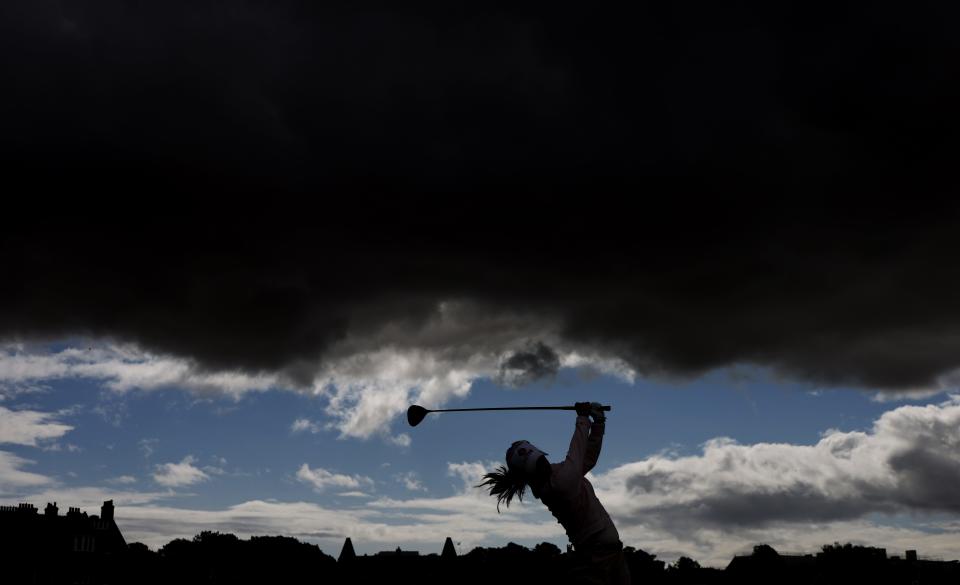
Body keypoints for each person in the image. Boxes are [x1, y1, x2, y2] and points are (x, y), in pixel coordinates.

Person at [478, 402, 630, 585]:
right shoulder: (557, 486)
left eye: (540, 459)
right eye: (536, 464)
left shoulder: (558, 472)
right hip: (594, 558)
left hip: (612, 553)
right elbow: (577, 453)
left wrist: (598, 424)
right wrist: (582, 418)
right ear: (529, 474)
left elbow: (586, 458)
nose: (542, 464)